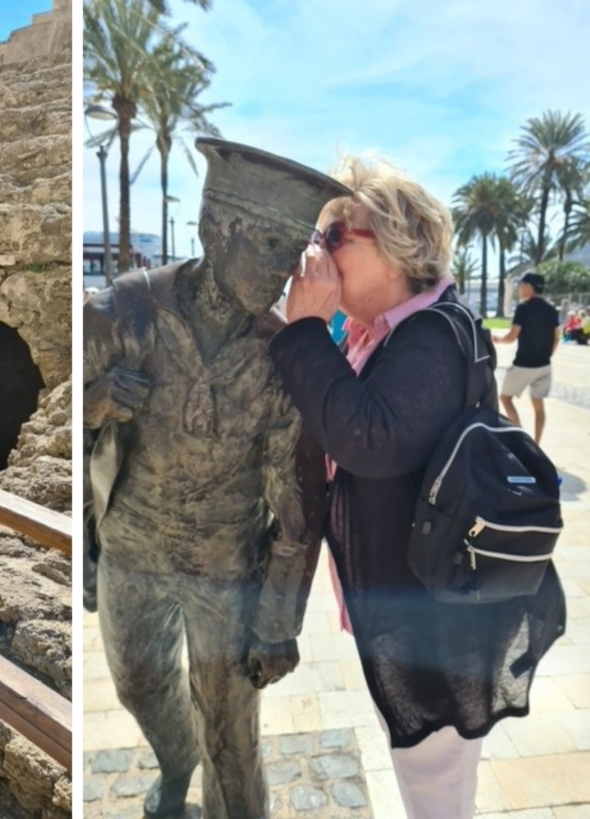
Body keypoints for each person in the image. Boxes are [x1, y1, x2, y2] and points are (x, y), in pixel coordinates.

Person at [266, 157, 565, 819]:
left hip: (435, 616)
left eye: (338, 235)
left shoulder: (429, 334)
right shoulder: (393, 331)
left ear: (397, 246)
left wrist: (306, 331)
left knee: (434, 789)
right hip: (420, 599)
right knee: (426, 773)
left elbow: (368, 437)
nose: (319, 250)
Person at [84, 138, 333, 818]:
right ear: (216, 230)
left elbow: (296, 504)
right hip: (133, 543)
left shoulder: (280, 354)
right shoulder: (124, 312)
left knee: (231, 732)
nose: (284, 270)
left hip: (229, 563)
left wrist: (278, 621)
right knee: (137, 682)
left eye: (293, 251)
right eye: (270, 246)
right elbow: (61, 403)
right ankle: (174, 761)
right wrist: (98, 397)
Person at [493, 271, 560, 445]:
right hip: (544, 365)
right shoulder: (551, 309)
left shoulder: (523, 308)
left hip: (524, 364)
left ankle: (522, 439)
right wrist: (547, 355)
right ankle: (536, 444)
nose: (519, 290)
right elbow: (556, 337)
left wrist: (495, 339)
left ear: (529, 287)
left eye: (521, 286)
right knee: (539, 406)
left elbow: (512, 337)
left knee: (505, 398)